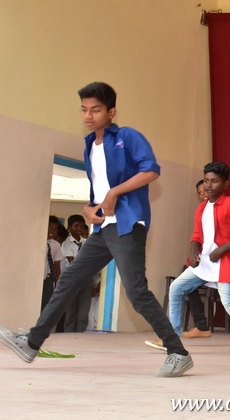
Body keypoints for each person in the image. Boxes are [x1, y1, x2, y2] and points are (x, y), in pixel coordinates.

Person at [0, 82, 192, 377]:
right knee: (69, 280)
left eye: (96, 110)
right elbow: (98, 191)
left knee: (136, 292)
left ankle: (178, 352)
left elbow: (151, 170)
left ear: (111, 112)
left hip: (127, 226)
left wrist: (115, 192)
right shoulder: (90, 144)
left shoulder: (127, 137)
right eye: (84, 109)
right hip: (103, 230)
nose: (88, 116)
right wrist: (90, 209)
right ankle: (32, 343)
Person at [162, 161, 230, 359]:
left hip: (226, 263)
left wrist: (221, 250)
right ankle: (172, 338)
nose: (209, 185)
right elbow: (196, 235)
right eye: (206, 181)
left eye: (215, 181)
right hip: (205, 262)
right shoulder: (202, 207)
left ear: (225, 184)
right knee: (176, 288)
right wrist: (193, 251)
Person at [62, 214, 93, 332]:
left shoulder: (88, 242)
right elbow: (73, 262)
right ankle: (69, 336)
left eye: (81, 226)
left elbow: (92, 261)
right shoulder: (66, 244)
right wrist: (86, 263)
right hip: (72, 281)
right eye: (76, 226)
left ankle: (81, 335)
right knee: (71, 312)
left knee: (83, 313)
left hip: (86, 280)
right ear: (69, 227)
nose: (79, 229)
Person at [42, 216, 64, 312]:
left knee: (45, 305)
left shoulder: (56, 245)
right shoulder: (37, 241)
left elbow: (57, 265)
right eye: (49, 228)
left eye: (55, 229)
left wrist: (57, 283)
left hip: (48, 280)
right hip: (36, 278)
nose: (52, 231)